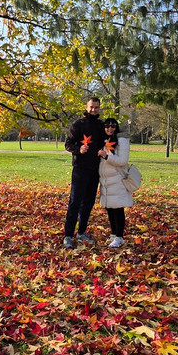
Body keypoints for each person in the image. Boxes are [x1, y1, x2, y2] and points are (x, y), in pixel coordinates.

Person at [62, 97, 106, 248]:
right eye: (91, 107)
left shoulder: (101, 126)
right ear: (86, 107)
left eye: (96, 107)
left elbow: (110, 139)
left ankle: (81, 232)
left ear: (99, 109)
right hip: (80, 168)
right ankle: (68, 235)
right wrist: (78, 149)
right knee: (75, 202)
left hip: (95, 170)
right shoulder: (78, 124)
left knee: (88, 203)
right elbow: (68, 144)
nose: (94, 110)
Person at [97, 117, 132, 248]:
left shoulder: (121, 141)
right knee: (110, 208)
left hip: (117, 179)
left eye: (112, 126)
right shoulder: (104, 140)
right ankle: (114, 234)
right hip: (106, 180)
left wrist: (106, 156)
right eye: (107, 126)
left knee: (118, 208)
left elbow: (122, 160)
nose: (109, 128)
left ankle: (119, 236)